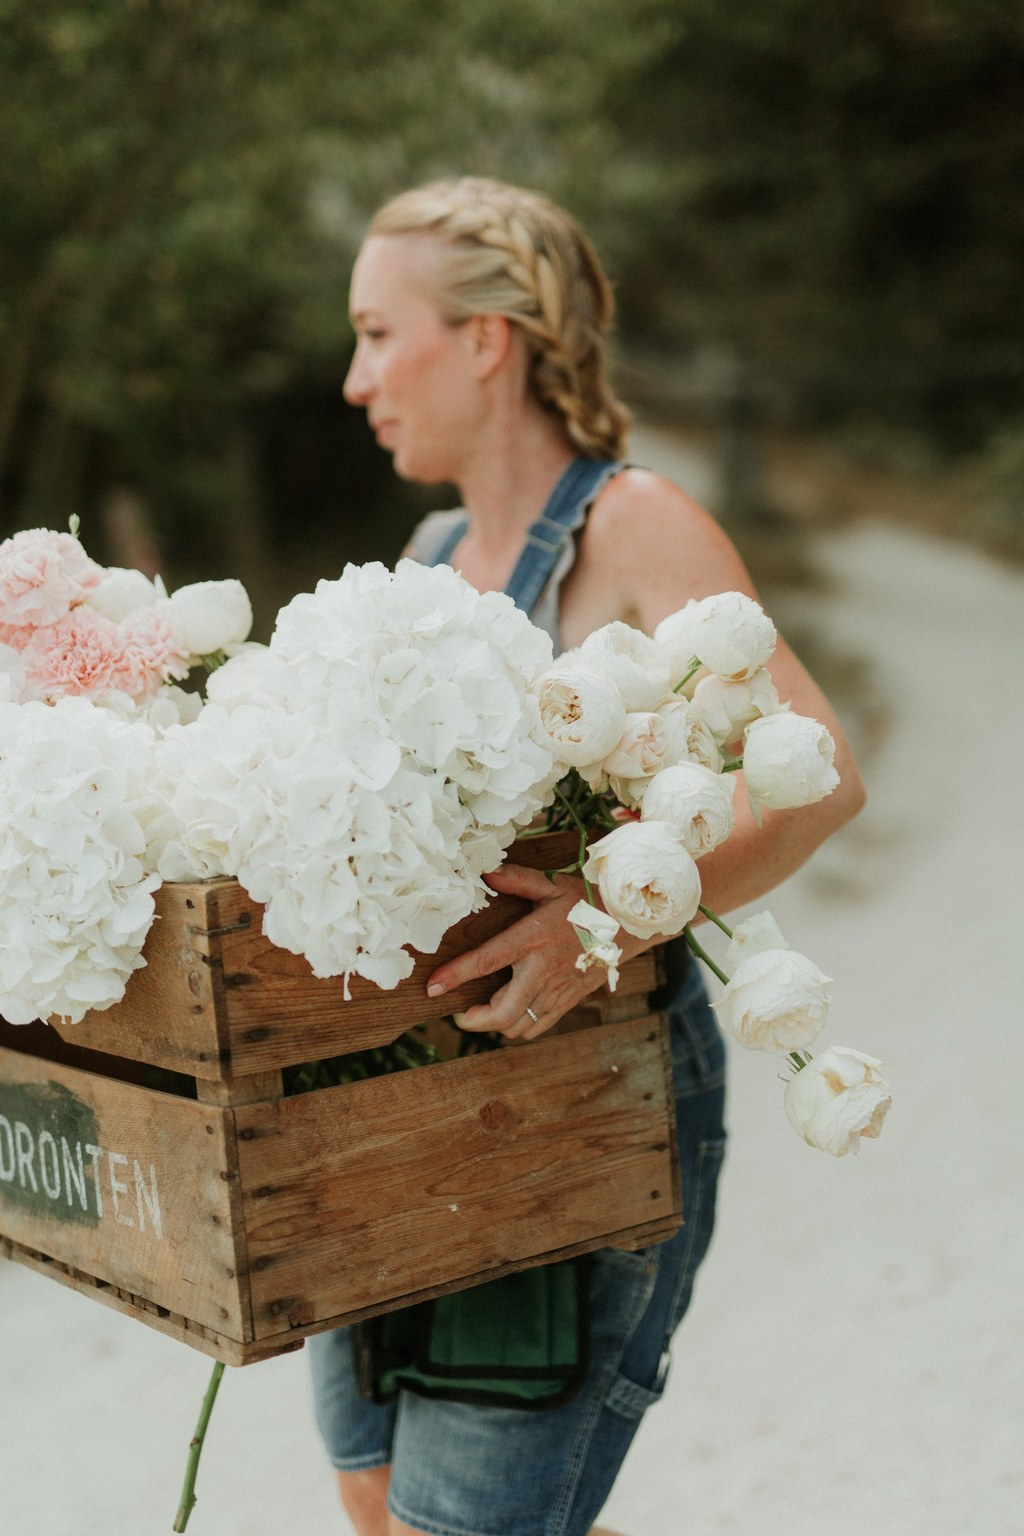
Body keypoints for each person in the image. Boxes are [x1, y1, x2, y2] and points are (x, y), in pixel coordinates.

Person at [307, 176, 865, 1536]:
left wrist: (604, 924)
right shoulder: (433, 552)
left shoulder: (636, 526)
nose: (352, 378)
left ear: (486, 340)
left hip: (589, 1108)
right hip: (406, 1112)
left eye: (381, 335)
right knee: (380, 1501)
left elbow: (822, 772)